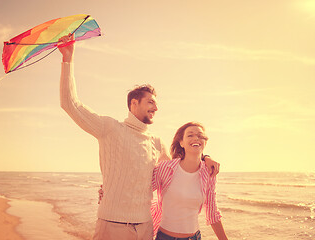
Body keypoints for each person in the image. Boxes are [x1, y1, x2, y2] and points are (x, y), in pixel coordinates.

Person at [58, 35, 220, 240]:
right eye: (150, 102)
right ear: (134, 103)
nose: (156, 107)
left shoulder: (156, 143)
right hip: (111, 224)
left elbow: (181, 168)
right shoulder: (108, 128)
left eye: (156, 103)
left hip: (144, 227)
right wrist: (67, 60)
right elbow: (69, 103)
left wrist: (206, 158)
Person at [151, 122, 228, 240]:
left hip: (194, 237)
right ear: (181, 142)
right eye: (190, 135)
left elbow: (213, 213)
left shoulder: (209, 173)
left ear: (205, 142)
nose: (196, 138)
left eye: (200, 136)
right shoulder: (165, 168)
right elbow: (142, 192)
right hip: (164, 237)